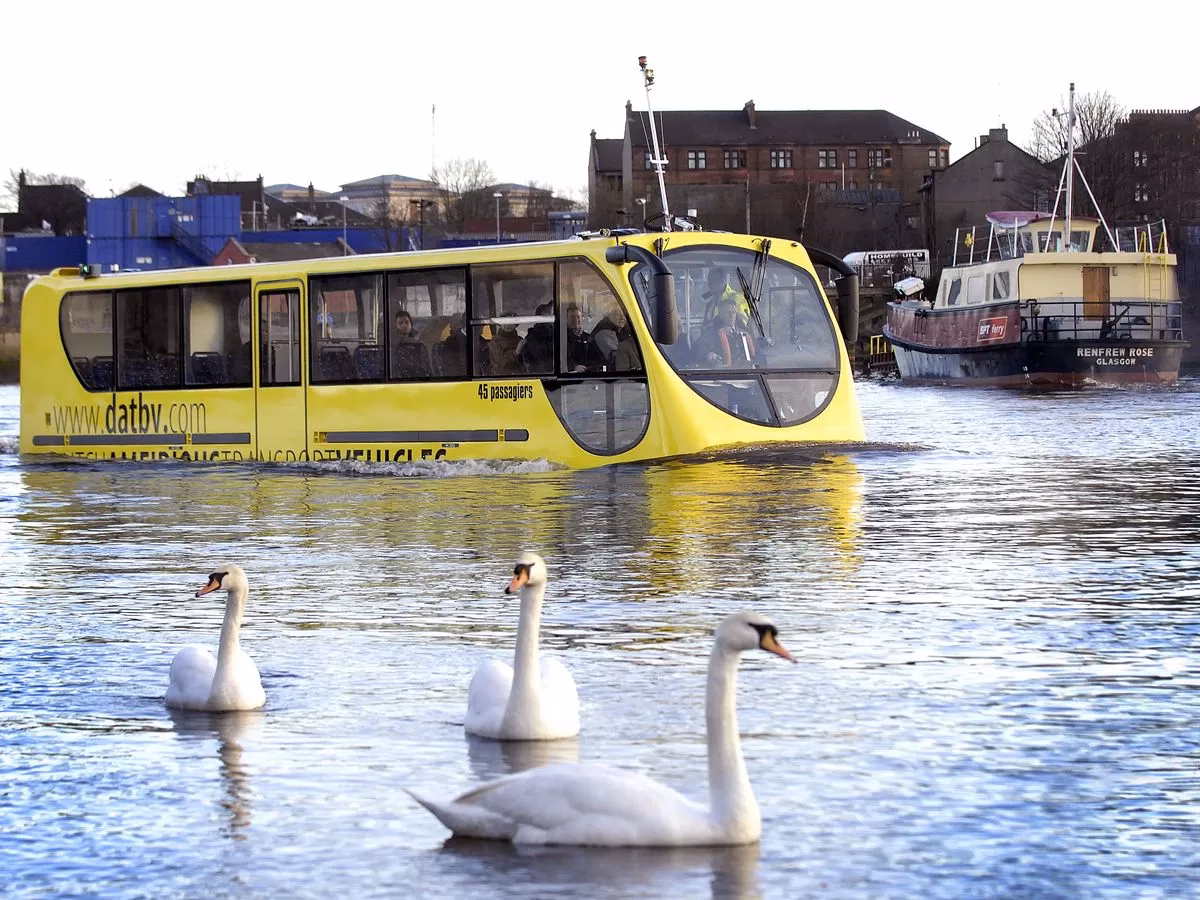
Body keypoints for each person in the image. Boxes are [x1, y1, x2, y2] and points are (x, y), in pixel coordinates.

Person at [701, 297, 757, 368]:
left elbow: (759, 356)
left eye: (733, 312)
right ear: (720, 314)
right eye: (728, 313)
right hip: (725, 375)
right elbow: (701, 352)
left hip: (750, 374)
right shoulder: (711, 334)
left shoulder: (746, 333)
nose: (731, 316)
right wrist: (709, 354)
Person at [592, 304, 641, 371]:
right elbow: (618, 356)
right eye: (618, 314)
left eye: (624, 315)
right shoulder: (604, 331)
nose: (622, 318)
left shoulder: (623, 329)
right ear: (610, 315)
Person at [563, 303, 603, 373]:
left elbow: (598, 359)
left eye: (578, 317)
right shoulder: (562, 338)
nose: (576, 320)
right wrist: (573, 367)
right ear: (566, 319)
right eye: (572, 317)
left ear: (582, 318)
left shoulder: (589, 338)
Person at [517, 302, 555, 373]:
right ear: (542, 316)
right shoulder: (537, 336)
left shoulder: (556, 333)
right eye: (550, 313)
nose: (553, 315)